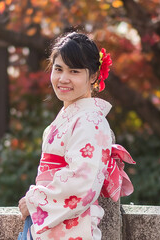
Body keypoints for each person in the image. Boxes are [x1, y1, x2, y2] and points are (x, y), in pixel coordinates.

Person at [18, 32, 135, 240]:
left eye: (74, 71)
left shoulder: (90, 121)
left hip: (73, 229)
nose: (63, 79)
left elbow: (82, 183)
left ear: (93, 76)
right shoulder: (71, 117)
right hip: (53, 225)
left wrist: (36, 201)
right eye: (58, 69)